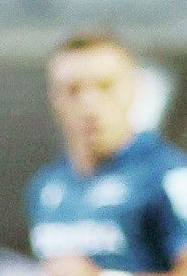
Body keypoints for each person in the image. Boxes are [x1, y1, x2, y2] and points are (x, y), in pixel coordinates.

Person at [27, 33, 187, 275]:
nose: (89, 105)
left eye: (106, 86)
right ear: (54, 98)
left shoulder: (170, 176)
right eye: (73, 90)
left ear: (135, 90)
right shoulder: (46, 186)